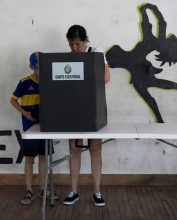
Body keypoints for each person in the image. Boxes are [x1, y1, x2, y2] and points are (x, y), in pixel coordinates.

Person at [62, 25, 110, 207]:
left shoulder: (96, 53)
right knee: (74, 148)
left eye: (77, 44)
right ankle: (73, 191)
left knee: (95, 149)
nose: (74, 48)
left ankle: (96, 192)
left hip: (93, 108)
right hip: (74, 108)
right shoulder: (68, 59)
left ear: (85, 42)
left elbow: (106, 77)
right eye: (71, 44)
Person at [10, 52, 58, 205]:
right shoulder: (24, 83)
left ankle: (43, 189)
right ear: (31, 67)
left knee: (44, 158)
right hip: (29, 126)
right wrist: (25, 113)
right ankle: (29, 190)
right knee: (29, 159)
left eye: (42, 67)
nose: (40, 70)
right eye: (37, 68)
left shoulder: (49, 81)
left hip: (45, 126)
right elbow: (13, 100)